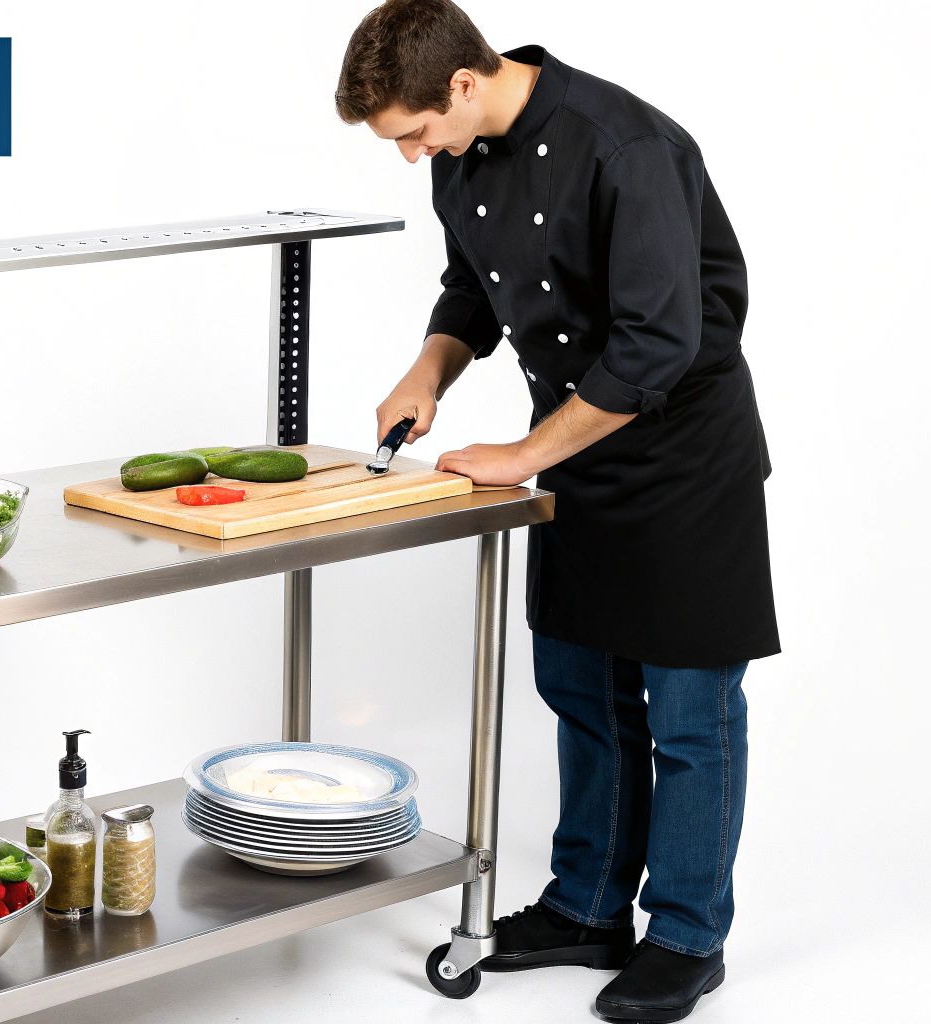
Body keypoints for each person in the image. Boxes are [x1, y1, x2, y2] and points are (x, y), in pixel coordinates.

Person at [336, 3, 779, 1021]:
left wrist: (527, 454)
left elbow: (657, 345)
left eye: (412, 132)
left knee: (688, 716)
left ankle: (683, 935)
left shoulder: (626, 148)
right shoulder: (463, 155)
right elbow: (471, 296)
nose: (411, 158)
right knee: (578, 685)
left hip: (681, 459)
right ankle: (585, 906)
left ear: (459, 83)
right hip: (574, 454)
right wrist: (426, 373)